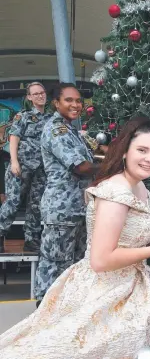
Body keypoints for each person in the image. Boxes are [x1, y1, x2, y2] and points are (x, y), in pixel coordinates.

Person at [0, 116, 150, 359]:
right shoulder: (115, 193)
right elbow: (101, 260)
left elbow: (133, 230)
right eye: (142, 151)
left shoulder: (139, 186)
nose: (149, 159)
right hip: (103, 289)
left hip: (130, 284)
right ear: (125, 152)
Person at [34, 83, 99, 302]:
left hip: (77, 209)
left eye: (78, 100)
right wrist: (115, 166)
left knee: (75, 264)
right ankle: (44, 311)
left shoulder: (71, 130)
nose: (75, 104)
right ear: (56, 103)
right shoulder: (57, 129)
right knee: (55, 264)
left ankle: (63, 313)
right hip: (61, 210)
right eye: (69, 100)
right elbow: (80, 167)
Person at [0, 82, 52, 253]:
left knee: (36, 205)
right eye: (35, 94)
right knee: (13, 203)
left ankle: (31, 239)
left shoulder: (51, 118)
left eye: (42, 92)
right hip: (21, 166)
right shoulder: (23, 116)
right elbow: (13, 138)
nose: (40, 96)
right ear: (29, 97)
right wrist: (14, 161)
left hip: (40, 169)